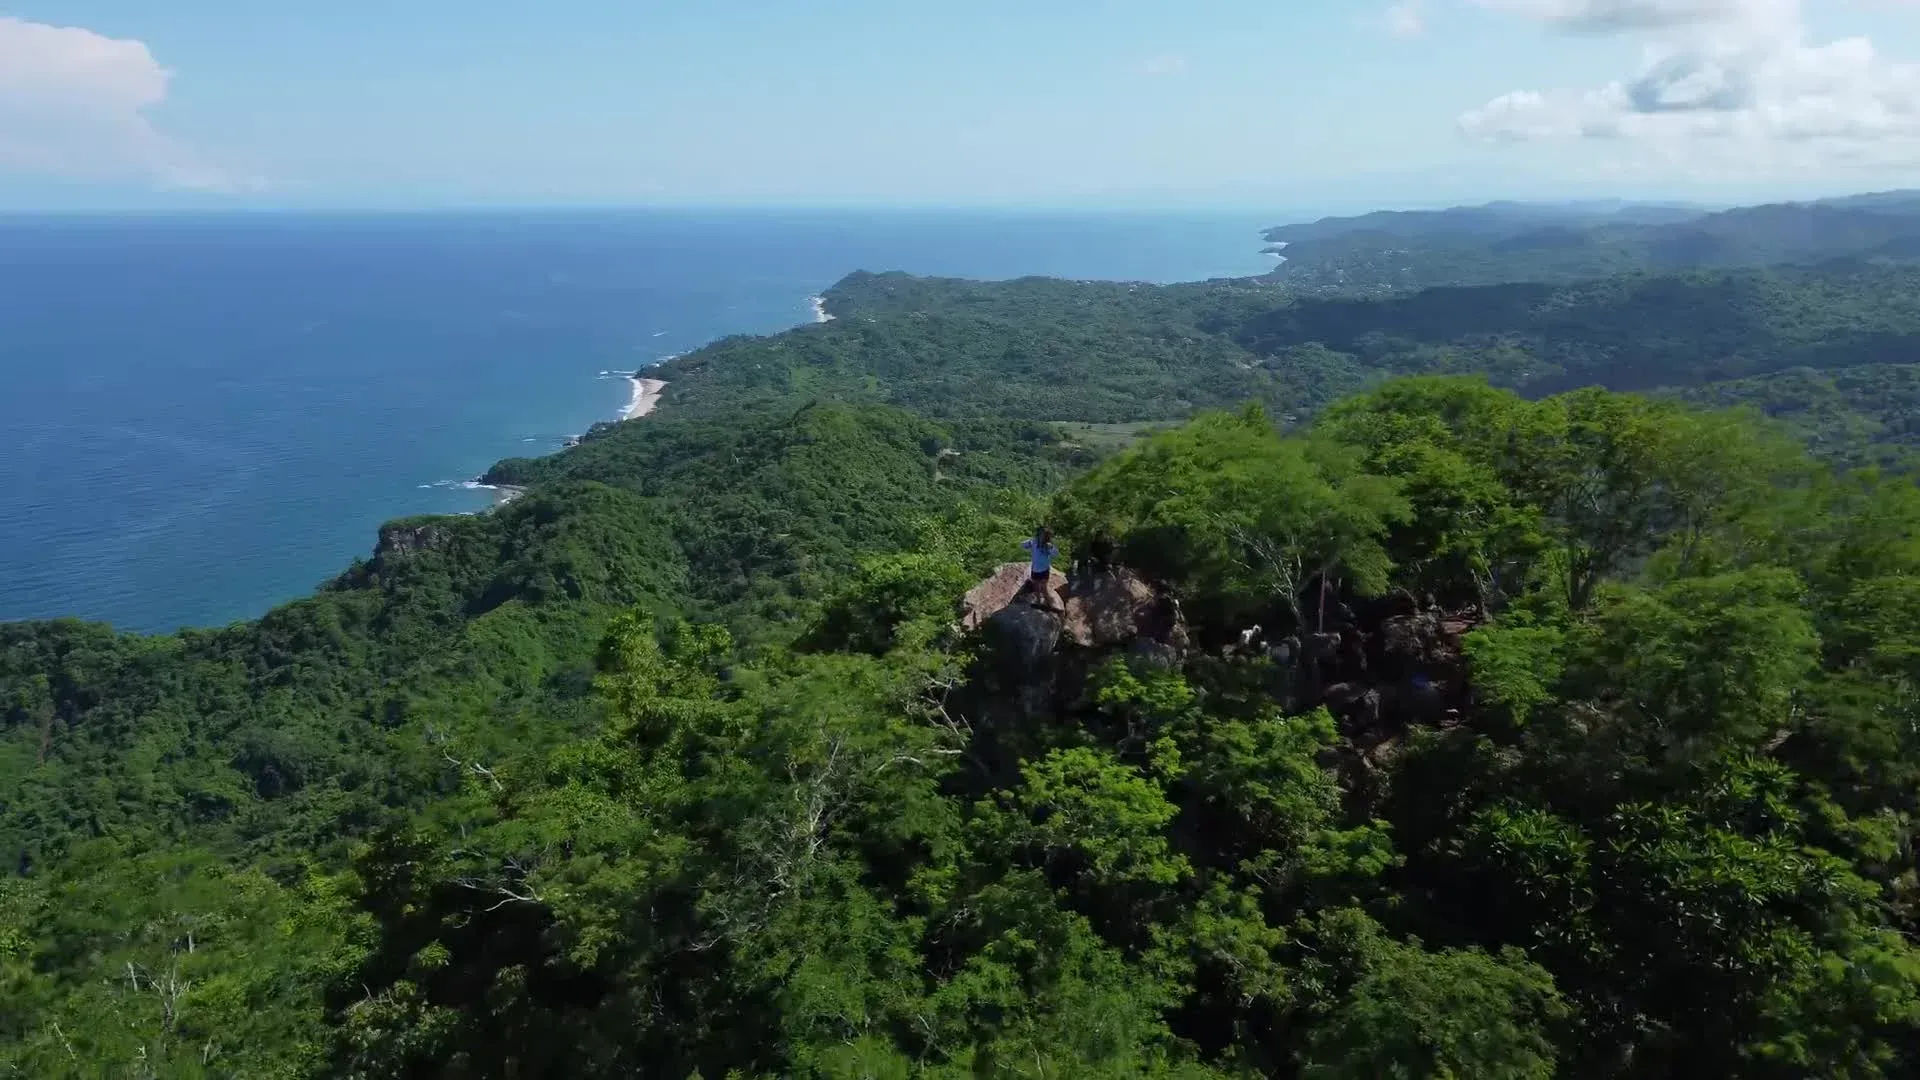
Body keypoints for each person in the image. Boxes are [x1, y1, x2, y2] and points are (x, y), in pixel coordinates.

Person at [1021, 526, 1060, 611]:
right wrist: (1028, 543)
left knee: (1043, 588)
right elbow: (1022, 545)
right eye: (1040, 534)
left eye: (1043, 535)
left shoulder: (1047, 545)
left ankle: (1050, 605)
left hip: (1044, 569)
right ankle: (1039, 603)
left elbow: (1056, 554)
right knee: (1036, 588)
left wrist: (1051, 548)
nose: (1041, 536)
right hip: (1035, 569)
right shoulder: (1034, 542)